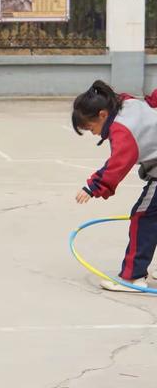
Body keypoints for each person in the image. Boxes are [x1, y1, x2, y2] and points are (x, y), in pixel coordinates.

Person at [73, 80, 157, 292]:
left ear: (102, 114)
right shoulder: (125, 104)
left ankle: (133, 278)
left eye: (91, 128)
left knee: (143, 216)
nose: (93, 133)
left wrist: (92, 187)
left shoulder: (121, 130)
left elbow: (117, 165)